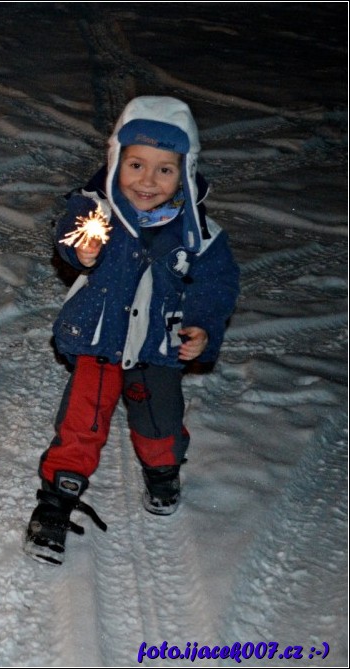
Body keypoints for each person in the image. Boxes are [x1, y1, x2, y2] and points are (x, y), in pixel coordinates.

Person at [24, 96, 240, 566]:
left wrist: (202, 325)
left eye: (165, 170)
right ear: (116, 160)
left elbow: (216, 284)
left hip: (157, 346)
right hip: (100, 340)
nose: (147, 180)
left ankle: (163, 471)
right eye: (136, 164)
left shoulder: (199, 232)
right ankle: (56, 501)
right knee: (81, 422)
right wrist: (81, 249)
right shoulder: (98, 210)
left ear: (185, 172)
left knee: (159, 420)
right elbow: (70, 230)